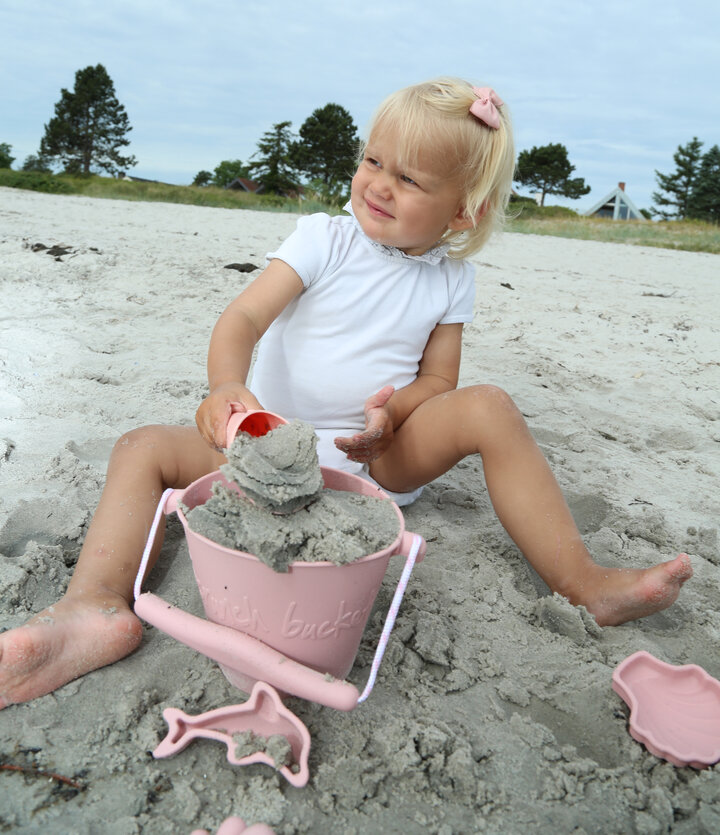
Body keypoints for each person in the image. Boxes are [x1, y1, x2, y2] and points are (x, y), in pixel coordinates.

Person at [0, 78, 692, 710]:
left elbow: (439, 382)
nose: (380, 185)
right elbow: (243, 318)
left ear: (461, 211)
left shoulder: (450, 280)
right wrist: (227, 388)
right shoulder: (323, 240)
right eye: (372, 162)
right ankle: (93, 607)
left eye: (409, 178)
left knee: (490, 406)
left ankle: (582, 581)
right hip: (266, 446)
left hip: (374, 459)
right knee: (142, 447)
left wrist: (392, 417)